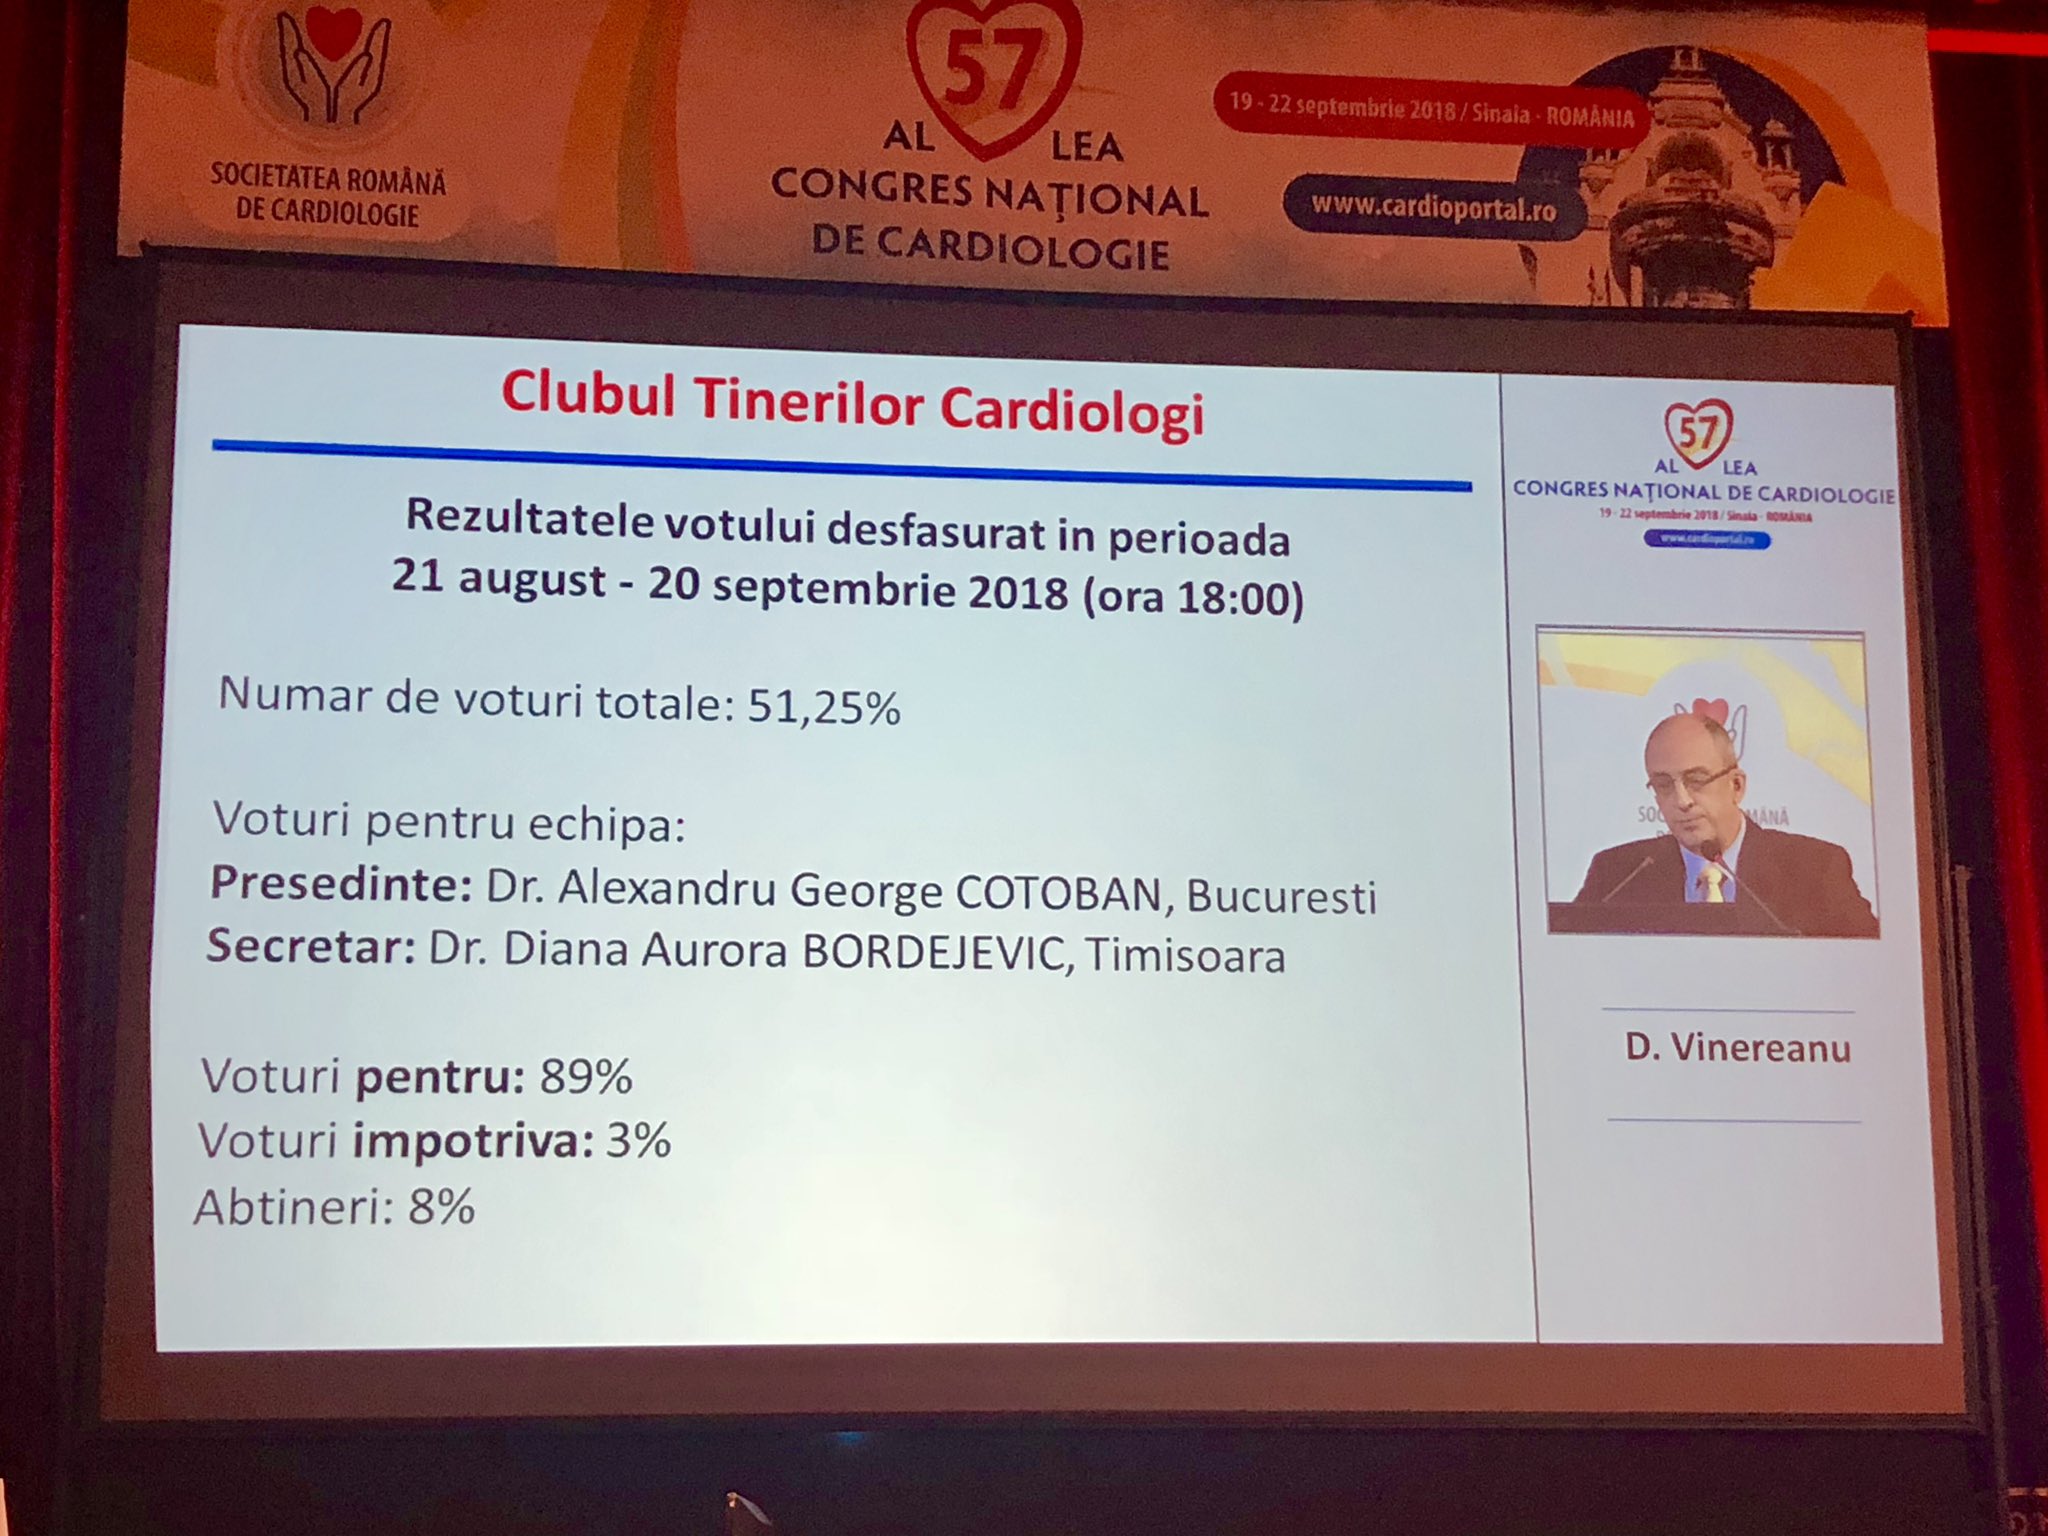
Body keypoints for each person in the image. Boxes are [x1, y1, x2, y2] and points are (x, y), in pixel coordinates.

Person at [1572, 712, 1878, 937]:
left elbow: (1870, 971)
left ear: (1736, 786)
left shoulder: (1816, 870)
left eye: (1696, 780)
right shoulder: (1616, 875)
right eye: (1664, 785)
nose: (1682, 800)